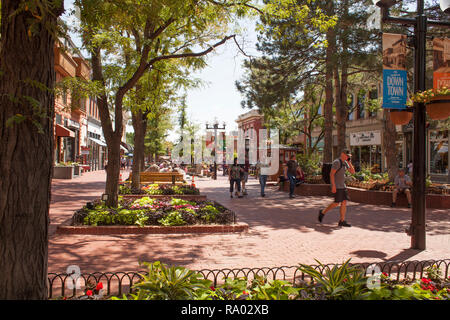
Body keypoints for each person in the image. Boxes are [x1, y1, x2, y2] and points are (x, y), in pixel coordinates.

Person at [318, 149, 356, 227]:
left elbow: (352, 172)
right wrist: (333, 186)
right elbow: (331, 174)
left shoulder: (345, 162)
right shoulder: (337, 162)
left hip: (343, 186)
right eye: (347, 155)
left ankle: (342, 220)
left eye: (349, 156)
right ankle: (323, 212)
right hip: (337, 186)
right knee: (336, 203)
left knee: (344, 202)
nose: (348, 157)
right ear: (342, 154)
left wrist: (349, 162)